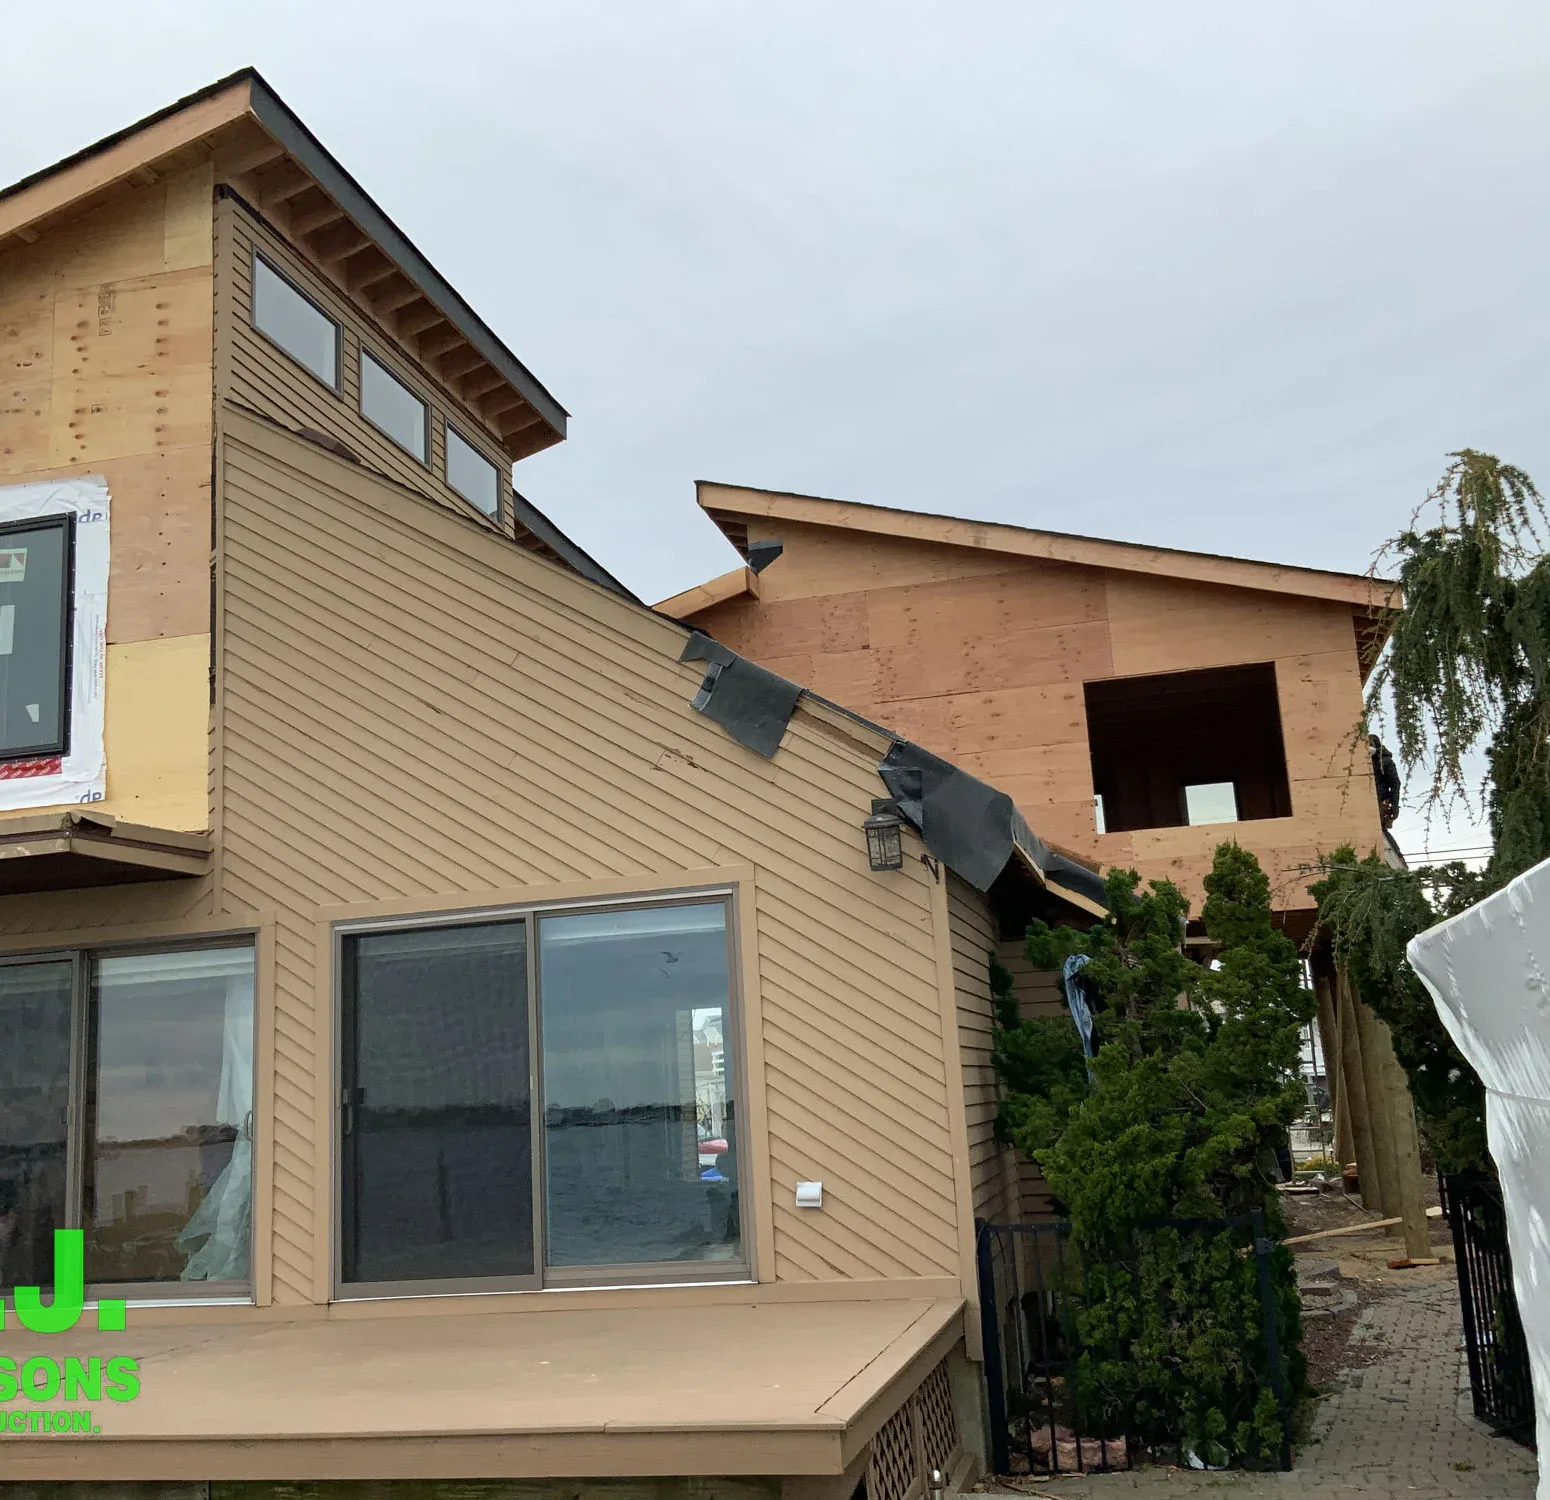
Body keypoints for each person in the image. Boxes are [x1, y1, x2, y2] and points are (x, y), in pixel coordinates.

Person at [1370, 734, 1401, 828]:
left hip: (1380, 802)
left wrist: (1394, 805)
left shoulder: (1385, 761)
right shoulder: (1361, 761)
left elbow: (1395, 783)